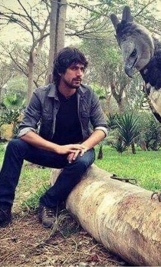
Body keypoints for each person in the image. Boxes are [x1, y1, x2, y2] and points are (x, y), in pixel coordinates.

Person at [0, 47, 108, 228]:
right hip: (49, 151)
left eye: (82, 69)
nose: (79, 74)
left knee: (82, 162)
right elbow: (25, 130)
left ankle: (48, 203)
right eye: (74, 68)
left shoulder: (89, 95)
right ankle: (3, 208)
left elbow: (102, 128)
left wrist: (84, 146)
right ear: (60, 71)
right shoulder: (41, 95)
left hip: (77, 152)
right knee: (15, 146)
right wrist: (57, 148)